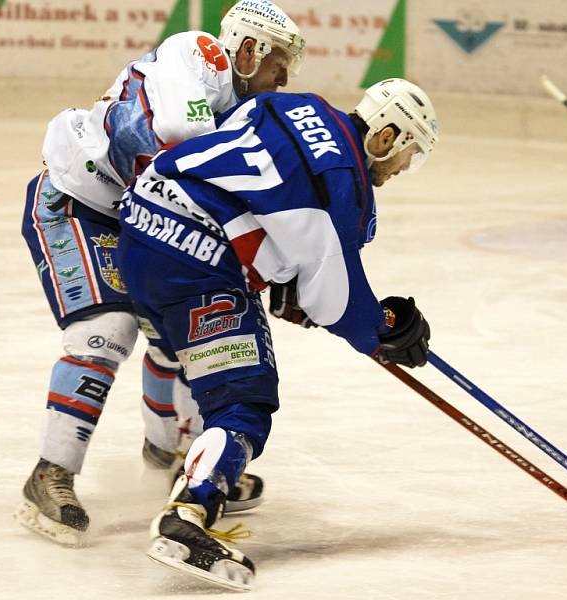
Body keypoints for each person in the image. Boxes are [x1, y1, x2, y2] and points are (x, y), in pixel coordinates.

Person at [116, 77, 438, 590]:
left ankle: (210, 468)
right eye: (408, 153)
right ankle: (189, 513)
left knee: (213, 373)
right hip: (198, 262)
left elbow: (253, 188)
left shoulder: (297, 104)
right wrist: (383, 332)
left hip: (139, 227)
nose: (401, 168)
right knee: (244, 398)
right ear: (386, 134)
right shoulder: (344, 184)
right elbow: (336, 299)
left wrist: (286, 284)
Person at [17, 0, 306, 547]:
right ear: (249, 49)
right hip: (79, 201)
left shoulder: (241, 116)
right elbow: (177, 128)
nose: (284, 78)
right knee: (105, 333)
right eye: (279, 63)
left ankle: (171, 452)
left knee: (184, 334)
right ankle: (49, 473)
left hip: (141, 217)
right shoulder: (199, 53)